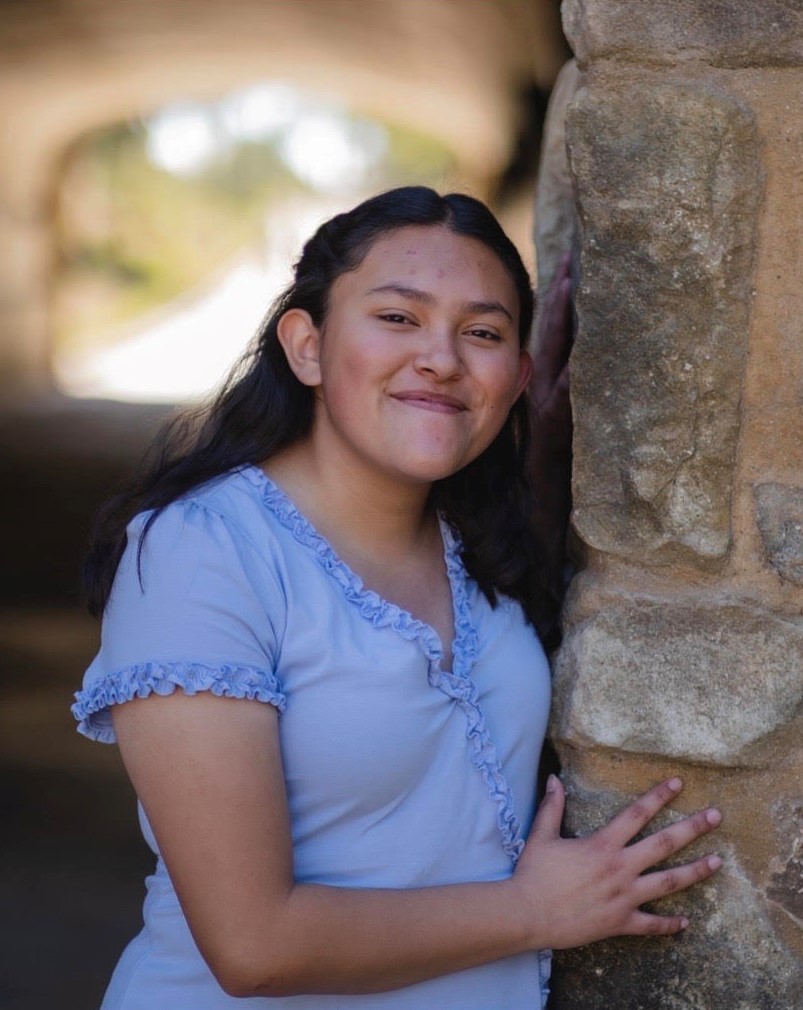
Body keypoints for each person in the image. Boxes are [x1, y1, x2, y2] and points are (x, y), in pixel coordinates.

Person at [72, 187, 721, 1010]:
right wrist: (531, 911)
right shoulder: (203, 552)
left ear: (518, 376)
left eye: (481, 334)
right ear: (306, 347)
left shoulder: (482, 546)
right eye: (397, 318)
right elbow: (252, 946)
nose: (441, 359)